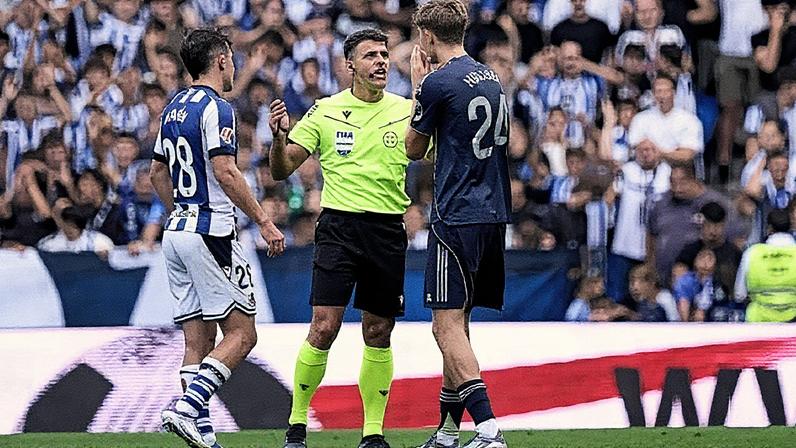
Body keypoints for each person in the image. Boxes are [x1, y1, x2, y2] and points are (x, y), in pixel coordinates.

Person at [269, 28, 415, 448]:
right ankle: (296, 425)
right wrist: (279, 138)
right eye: (371, 55)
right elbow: (282, 169)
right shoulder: (326, 111)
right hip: (339, 228)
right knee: (323, 326)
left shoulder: (405, 110)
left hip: (387, 229)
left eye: (385, 54)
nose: (382, 62)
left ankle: (372, 433)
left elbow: (429, 154)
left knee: (377, 330)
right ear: (349, 65)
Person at [151, 28, 285, 448]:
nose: (235, 65)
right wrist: (263, 219)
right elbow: (226, 172)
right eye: (231, 57)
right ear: (222, 60)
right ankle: (187, 407)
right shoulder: (218, 108)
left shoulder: (172, 108)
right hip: (211, 231)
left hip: (177, 232)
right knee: (243, 334)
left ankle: (202, 435)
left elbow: (156, 173)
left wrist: (181, 215)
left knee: (199, 340)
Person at [405, 1, 511, 447]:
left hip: (456, 214)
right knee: (459, 327)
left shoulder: (436, 83)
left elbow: (413, 148)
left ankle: (488, 430)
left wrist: (416, 85)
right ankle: (449, 432)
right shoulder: (490, 75)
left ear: (427, 37)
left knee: (443, 326)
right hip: (494, 210)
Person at [735, 209, 796, 322]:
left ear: (769, 228)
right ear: (791, 227)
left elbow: (739, 295)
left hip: (758, 323)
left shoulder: (752, 253)